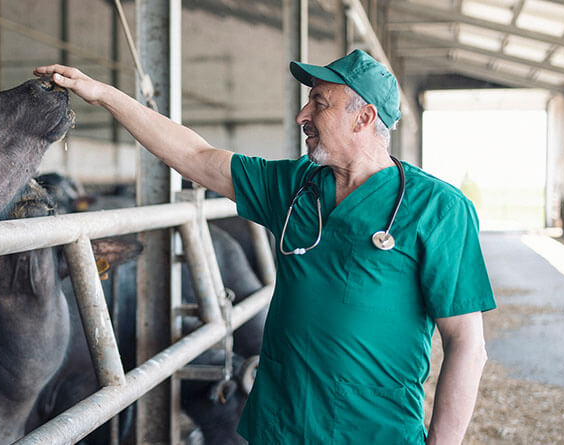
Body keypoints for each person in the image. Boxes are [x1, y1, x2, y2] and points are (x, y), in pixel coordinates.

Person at [35, 49, 496, 444]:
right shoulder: (295, 185)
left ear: (365, 117)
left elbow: (466, 345)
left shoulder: (439, 209)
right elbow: (195, 156)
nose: (302, 116)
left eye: (319, 102)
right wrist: (105, 95)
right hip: (279, 427)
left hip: (373, 431)